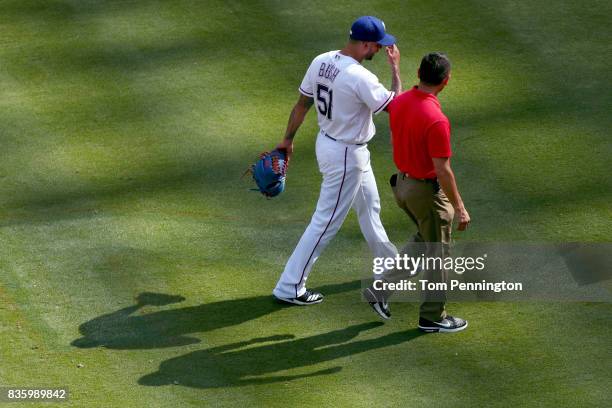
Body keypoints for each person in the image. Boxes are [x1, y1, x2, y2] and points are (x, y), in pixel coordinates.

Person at [272, 16, 402, 305]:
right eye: (377, 46)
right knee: (325, 221)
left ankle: (390, 264)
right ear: (365, 44)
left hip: (331, 144)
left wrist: (287, 139)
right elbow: (397, 107)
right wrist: (396, 70)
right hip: (346, 156)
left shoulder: (321, 61)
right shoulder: (361, 77)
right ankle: (290, 286)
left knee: (369, 207)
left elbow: (302, 104)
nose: (379, 51)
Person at [366, 52, 471, 332]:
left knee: (425, 240)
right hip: (424, 193)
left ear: (420, 73)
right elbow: (443, 170)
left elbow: (398, 97)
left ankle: (380, 291)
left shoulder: (401, 103)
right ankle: (432, 317)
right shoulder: (437, 120)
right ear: (445, 82)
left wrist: (395, 70)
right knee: (438, 254)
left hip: (402, 187)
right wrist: (460, 207)